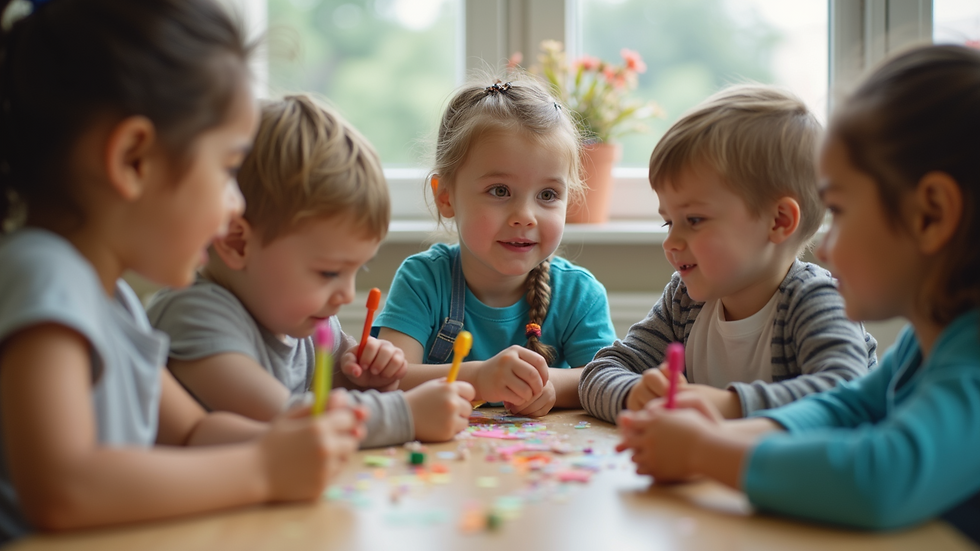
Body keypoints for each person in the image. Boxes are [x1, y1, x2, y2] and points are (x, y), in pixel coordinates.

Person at [0, 0, 364, 542]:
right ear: (133, 161)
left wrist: (284, 439)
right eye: (226, 169)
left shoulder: (113, 299)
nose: (236, 204)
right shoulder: (44, 276)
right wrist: (263, 469)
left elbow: (193, 430)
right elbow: (63, 488)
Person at [617, 45, 980, 538]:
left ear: (931, 215)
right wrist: (715, 432)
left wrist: (706, 451)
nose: (825, 247)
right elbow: (848, 406)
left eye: (842, 212)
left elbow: (880, 477)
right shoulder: (929, 338)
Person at [147, 95, 474, 446]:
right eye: (329, 273)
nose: (347, 294)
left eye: (356, 271)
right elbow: (286, 419)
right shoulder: (194, 315)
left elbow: (339, 382)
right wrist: (403, 415)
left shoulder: (305, 319)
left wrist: (368, 374)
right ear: (238, 243)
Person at [579, 84, 877, 423]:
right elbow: (600, 371)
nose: (671, 242)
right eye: (668, 223)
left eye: (694, 220)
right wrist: (634, 394)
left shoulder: (815, 300)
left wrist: (730, 407)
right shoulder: (684, 301)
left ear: (778, 221)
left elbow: (847, 395)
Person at [374, 78, 617, 417]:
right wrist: (477, 378)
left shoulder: (580, 294)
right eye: (500, 191)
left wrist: (549, 388)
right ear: (446, 196)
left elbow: (608, 379)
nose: (525, 217)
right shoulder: (423, 280)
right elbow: (389, 381)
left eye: (547, 195)